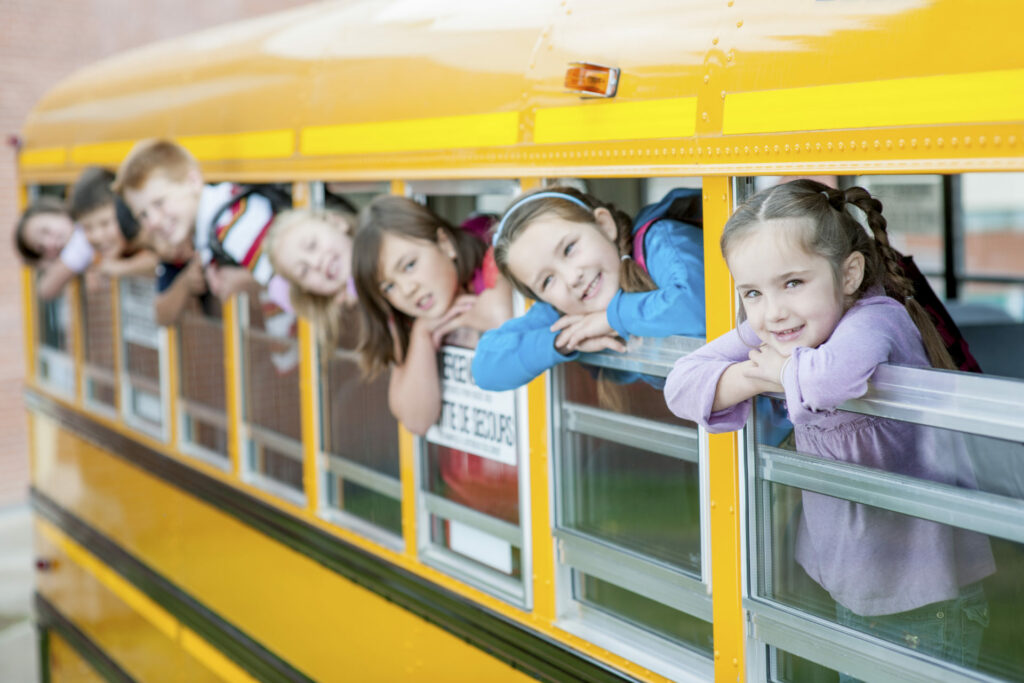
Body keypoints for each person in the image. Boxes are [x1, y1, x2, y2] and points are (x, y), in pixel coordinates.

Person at [664, 179, 994, 671]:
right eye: (752, 292)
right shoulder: (774, 327)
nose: (773, 311)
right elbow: (680, 386)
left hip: (928, 596)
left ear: (848, 274)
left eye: (793, 283)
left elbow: (829, 381)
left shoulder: (876, 318)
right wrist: (754, 376)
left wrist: (776, 371)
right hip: (854, 583)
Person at [472, 186, 705, 391]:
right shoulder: (569, 315)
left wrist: (612, 319)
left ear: (604, 225)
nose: (572, 278)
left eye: (569, 249)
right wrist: (564, 341)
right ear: (542, 299)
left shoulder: (659, 241)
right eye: (547, 281)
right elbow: (485, 367)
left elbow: (700, 305)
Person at [352, 195, 513, 436]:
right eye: (388, 287)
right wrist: (422, 335)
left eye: (409, 265)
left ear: (445, 243)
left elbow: (505, 315)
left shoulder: (493, 253)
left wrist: (461, 318)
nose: (407, 290)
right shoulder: (407, 321)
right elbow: (417, 420)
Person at [113, 139, 279, 325]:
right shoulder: (214, 226)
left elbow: (295, 279)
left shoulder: (231, 225)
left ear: (193, 182)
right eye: (142, 214)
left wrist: (248, 280)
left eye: (159, 203)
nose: (153, 222)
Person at [265, 208, 358, 346]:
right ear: (307, 289)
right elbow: (277, 290)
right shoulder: (346, 318)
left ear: (337, 222)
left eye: (312, 245)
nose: (315, 263)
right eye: (303, 271)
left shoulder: (386, 237)